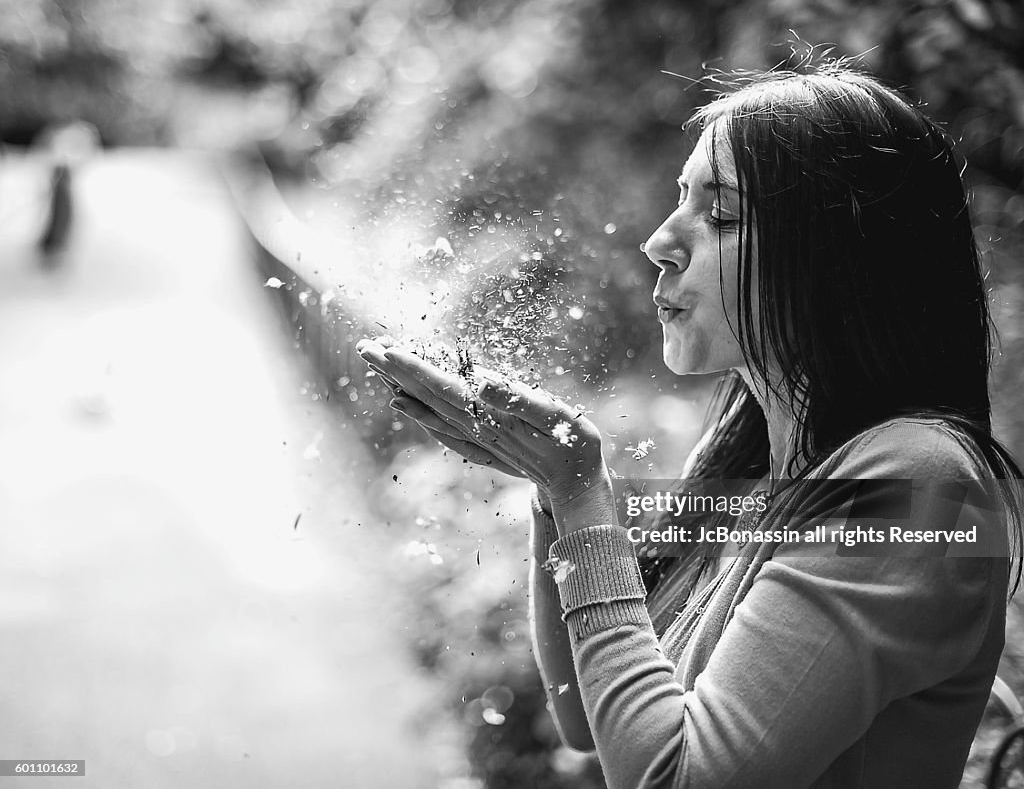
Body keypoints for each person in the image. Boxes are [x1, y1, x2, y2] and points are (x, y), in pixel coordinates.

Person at [355, 58, 1024, 788]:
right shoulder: (758, 462)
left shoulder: (924, 486)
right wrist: (559, 489)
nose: (659, 242)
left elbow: (676, 778)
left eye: (723, 215)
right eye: (682, 201)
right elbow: (587, 716)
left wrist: (581, 496)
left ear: (840, 256)